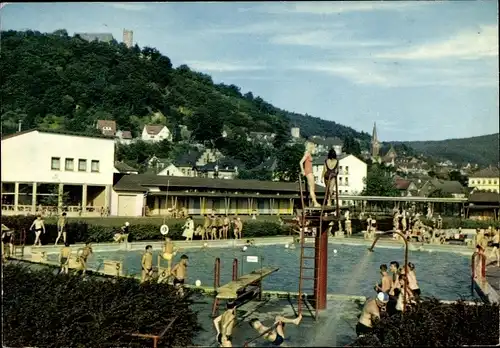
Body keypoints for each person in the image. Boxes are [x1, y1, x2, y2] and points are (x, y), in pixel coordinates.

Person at [299, 142, 320, 207]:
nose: (315, 149)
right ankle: (315, 203)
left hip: (310, 171)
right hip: (308, 172)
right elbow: (301, 162)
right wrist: (303, 170)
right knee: (311, 188)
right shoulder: (307, 153)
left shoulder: (309, 154)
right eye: (314, 147)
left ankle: (315, 202)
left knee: (313, 188)